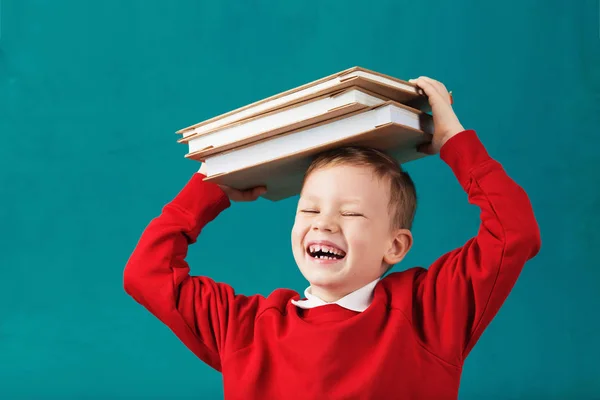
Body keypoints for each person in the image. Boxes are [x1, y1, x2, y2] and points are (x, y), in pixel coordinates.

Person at [123, 76, 541, 399]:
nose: (323, 223)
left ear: (395, 246)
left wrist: (455, 143)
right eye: (309, 209)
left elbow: (513, 231)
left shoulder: (430, 309)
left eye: (352, 212)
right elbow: (147, 273)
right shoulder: (245, 328)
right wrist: (213, 184)